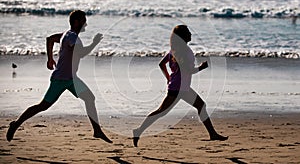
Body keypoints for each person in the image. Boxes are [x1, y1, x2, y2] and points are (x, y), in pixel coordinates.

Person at [6, 10, 112, 143]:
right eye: (83, 20)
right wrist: (94, 43)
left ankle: (97, 131)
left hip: (72, 79)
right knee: (43, 106)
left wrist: (50, 59)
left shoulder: (66, 34)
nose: (86, 23)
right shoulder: (72, 37)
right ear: (76, 22)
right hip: (60, 80)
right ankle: (15, 124)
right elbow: (82, 53)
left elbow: (50, 39)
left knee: (89, 98)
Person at [133, 25, 228, 147]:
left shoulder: (175, 50)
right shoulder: (183, 52)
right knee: (162, 111)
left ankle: (212, 134)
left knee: (199, 105)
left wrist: (168, 78)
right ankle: (138, 131)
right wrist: (201, 68)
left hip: (181, 87)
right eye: (188, 32)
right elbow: (188, 71)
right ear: (183, 36)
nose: (191, 34)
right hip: (179, 88)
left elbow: (162, 64)